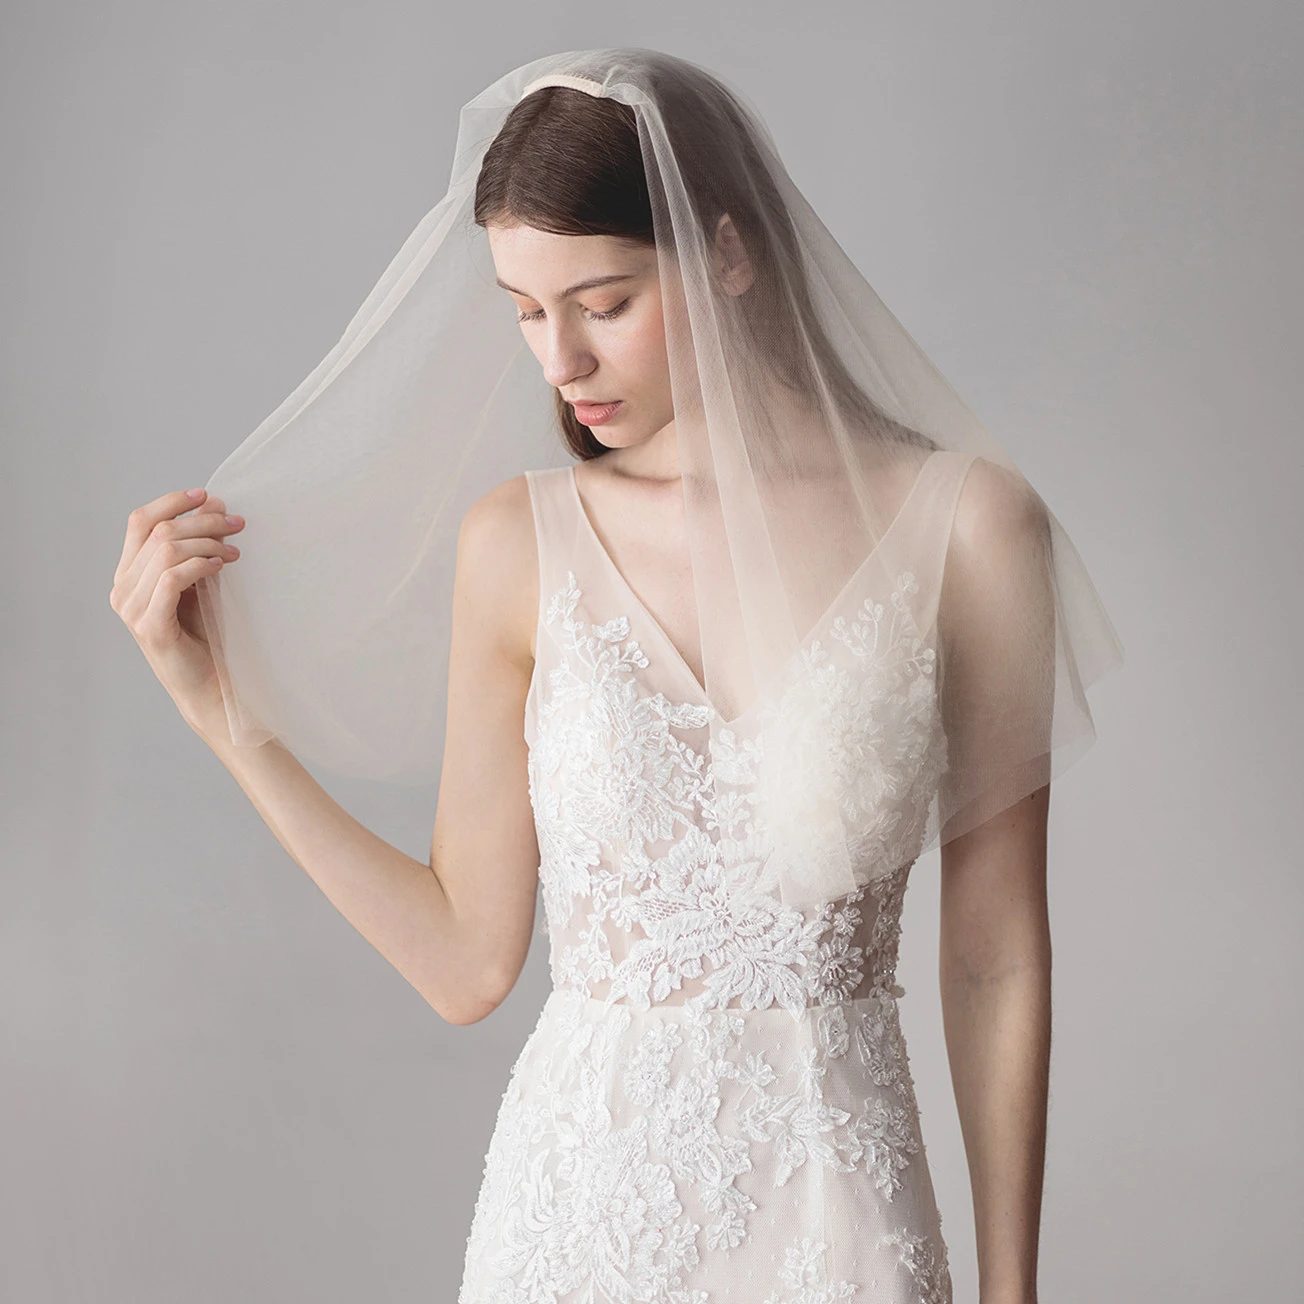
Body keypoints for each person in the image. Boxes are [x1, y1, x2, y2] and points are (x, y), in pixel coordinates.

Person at [111, 48, 1123, 1303]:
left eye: (601, 303)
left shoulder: (968, 529)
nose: (561, 362)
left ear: (728, 252)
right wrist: (217, 709)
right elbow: (465, 962)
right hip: (575, 1227)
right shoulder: (516, 543)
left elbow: (994, 955)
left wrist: (1012, 1288)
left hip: (836, 1223)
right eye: (525, 312)